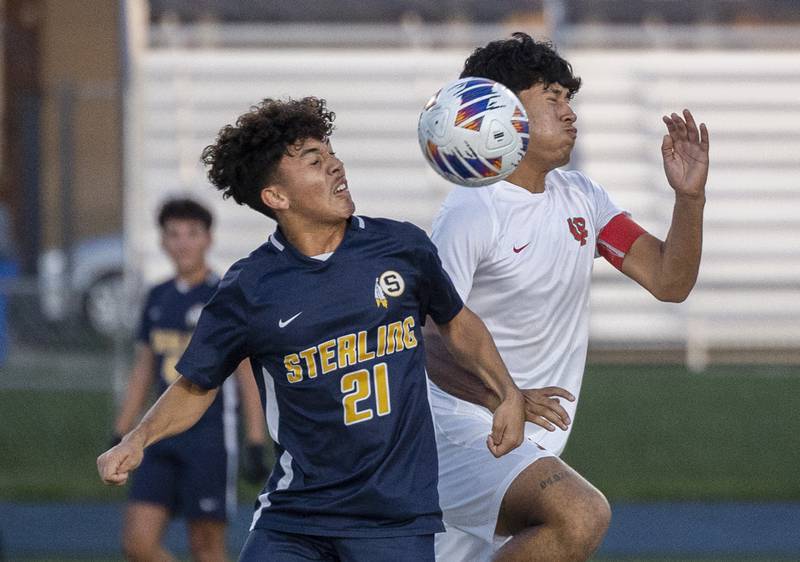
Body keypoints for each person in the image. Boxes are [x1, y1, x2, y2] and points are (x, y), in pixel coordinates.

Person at [98, 97, 527, 562]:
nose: (336, 165)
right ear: (277, 197)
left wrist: (507, 392)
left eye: (331, 153)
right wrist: (137, 438)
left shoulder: (401, 247)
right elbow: (196, 384)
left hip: (395, 519)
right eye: (315, 160)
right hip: (295, 517)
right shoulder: (249, 288)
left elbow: (457, 323)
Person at [424, 32, 710, 562]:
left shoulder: (583, 197)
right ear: (501, 110)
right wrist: (504, 393)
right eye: (552, 97)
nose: (569, 112)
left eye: (568, 98)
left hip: (521, 439)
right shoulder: (473, 210)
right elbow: (426, 336)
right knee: (579, 514)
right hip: (457, 426)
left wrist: (689, 198)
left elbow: (670, 281)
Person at [110, 198, 268, 562]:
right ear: (163, 241)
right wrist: (123, 430)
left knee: (206, 547)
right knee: (137, 543)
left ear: (208, 239)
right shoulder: (157, 296)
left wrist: (255, 439)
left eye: (192, 234)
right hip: (158, 438)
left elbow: (245, 374)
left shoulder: (223, 295)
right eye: (174, 234)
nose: (183, 243)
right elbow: (144, 368)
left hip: (209, 439)